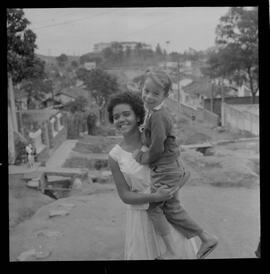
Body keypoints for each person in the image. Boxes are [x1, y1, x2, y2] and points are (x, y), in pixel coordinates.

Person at [133, 69, 218, 259]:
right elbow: (152, 139)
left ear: (165, 95)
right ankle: (205, 238)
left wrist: (143, 158)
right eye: (146, 91)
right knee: (172, 207)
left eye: (156, 93)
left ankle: (172, 251)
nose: (149, 96)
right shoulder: (152, 114)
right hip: (168, 168)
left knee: (154, 207)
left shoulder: (158, 116)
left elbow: (157, 147)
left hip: (166, 169)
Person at [107, 91, 198, 260]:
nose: (121, 120)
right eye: (116, 116)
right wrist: (154, 196)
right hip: (140, 220)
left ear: (138, 116)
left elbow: (184, 173)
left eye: (126, 114)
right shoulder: (115, 156)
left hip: (167, 216)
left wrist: (168, 192)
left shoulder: (156, 143)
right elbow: (125, 195)